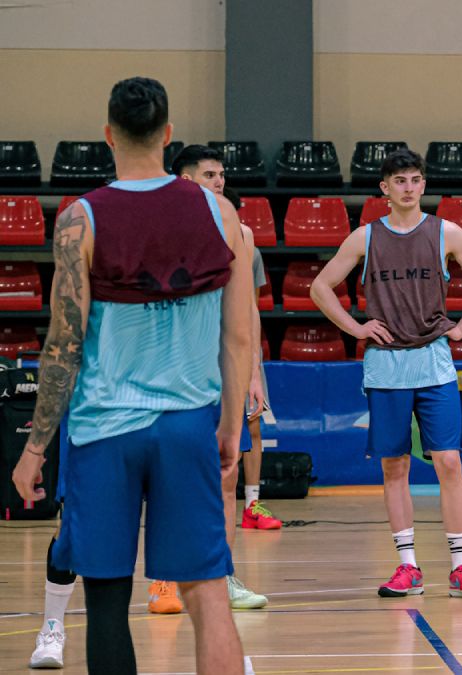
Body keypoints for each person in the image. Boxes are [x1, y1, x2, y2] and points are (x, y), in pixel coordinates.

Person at [10, 76, 254, 674]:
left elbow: (64, 344)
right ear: (168, 135)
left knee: (109, 601)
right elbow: (240, 335)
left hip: (104, 432)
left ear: (107, 136)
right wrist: (229, 429)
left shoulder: (79, 220)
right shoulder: (220, 212)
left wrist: (35, 447)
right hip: (187, 422)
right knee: (206, 592)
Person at [311, 148, 462, 600]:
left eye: (415, 179)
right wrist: (356, 327)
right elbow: (320, 287)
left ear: (423, 185)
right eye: (400, 180)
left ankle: (460, 567)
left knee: (448, 461)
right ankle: (408, 566)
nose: (409, 187)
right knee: (395, 467)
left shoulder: (445, 232)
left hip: (433, 360)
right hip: (386, 364)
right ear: (385, 189)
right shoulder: (365, 238)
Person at [173, 144, 277, 614]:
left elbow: (247, 312)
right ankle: (166, 579)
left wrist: (254, 373)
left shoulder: (242, 233)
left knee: (226, 474)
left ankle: (224, 574)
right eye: (209, 174)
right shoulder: (164, 227)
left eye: (221, 174)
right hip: (175, 369)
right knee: (170, 476)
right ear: (186, 180)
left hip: (225, 367)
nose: (219, 181)